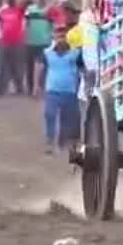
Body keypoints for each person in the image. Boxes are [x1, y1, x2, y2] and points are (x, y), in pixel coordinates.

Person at [37, 25, 83, 155]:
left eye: (63, 36)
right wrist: (37, 85)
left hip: (70, 90)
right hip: (52, 90)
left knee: (67, 118)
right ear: (54, 37)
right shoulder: (47, 53)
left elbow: (82, 70)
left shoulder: (76, 53)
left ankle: (63, 142)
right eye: (58, 36)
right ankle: (50, 142)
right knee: (49, 115)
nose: (61, 39)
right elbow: (39, 67)